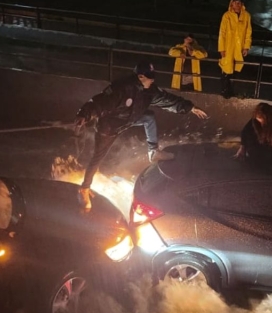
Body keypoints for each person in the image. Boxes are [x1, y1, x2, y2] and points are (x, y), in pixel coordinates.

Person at [74, 62, 209, 210]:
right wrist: (84, 115)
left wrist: (190, 107)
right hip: (109, 127)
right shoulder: (122, 88)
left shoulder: (149, 90)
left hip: (129, 119)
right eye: (149, 78)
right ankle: (84, 188)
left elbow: (167, 99)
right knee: (98, 157)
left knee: (149, 117)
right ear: (140, 76)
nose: (152, 80)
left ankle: (153, 152)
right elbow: (99, 101)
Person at [218, 0, 252, 99]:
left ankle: (234, 91)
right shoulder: (226, 16)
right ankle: (225, 91)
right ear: (231, 4)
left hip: (239, 48)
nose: (237, 5)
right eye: (235, 3)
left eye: (239, 3)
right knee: (226, 69)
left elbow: (248, 32)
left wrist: (246, 47)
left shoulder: (246, 16)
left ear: (242, 4)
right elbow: (222, 33)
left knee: (238, 70)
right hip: (228, 47)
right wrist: (222, 48)